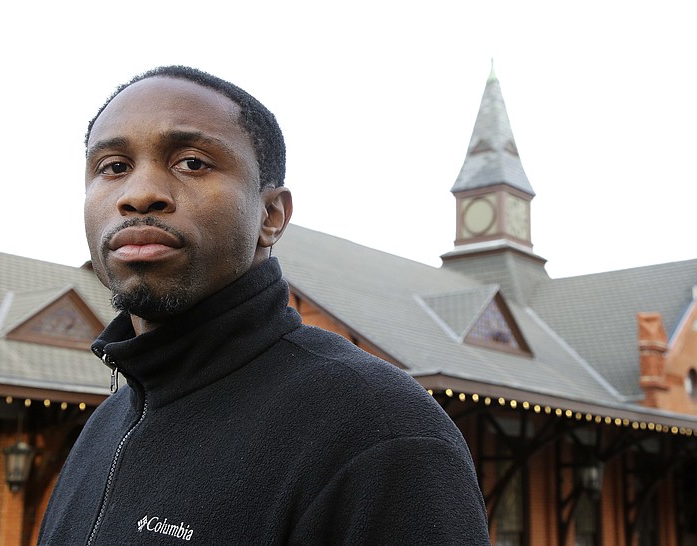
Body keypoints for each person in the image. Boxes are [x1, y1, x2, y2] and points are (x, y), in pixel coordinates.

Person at [37, 65, 491, 545]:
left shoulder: (378, 429)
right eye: (113, 167)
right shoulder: (104, 429)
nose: (139, 194)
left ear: (271, 215)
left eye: (191, 162)